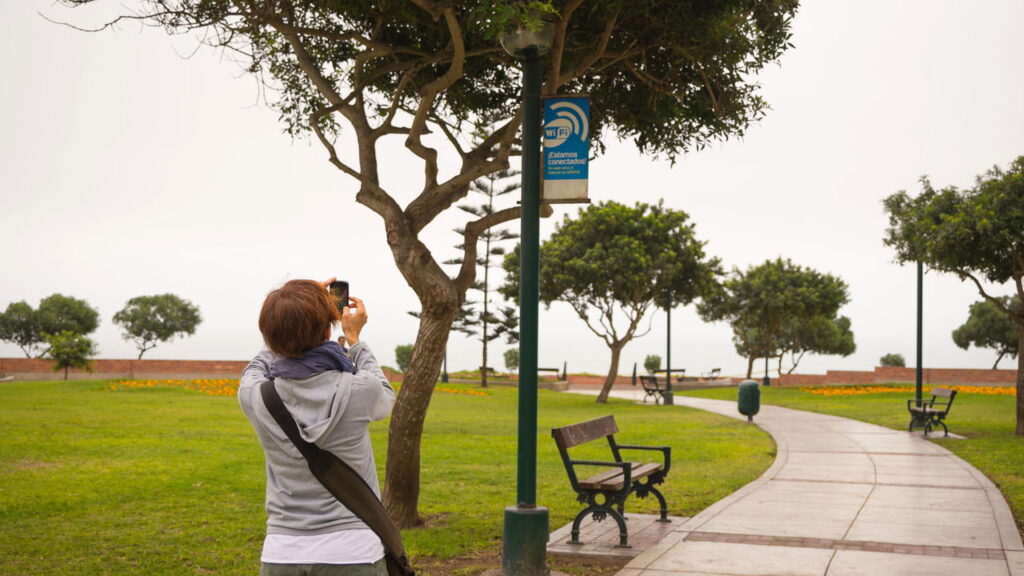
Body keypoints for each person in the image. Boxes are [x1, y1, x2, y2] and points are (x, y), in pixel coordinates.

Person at [238, 278, 395, 576]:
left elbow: (255, 368)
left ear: (270, 335)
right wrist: (354, 337)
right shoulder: (360, 390)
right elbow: (384, 392)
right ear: (327, 329)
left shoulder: (255, 396)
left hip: (282, 551)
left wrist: (283, 323)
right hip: (353, 548)